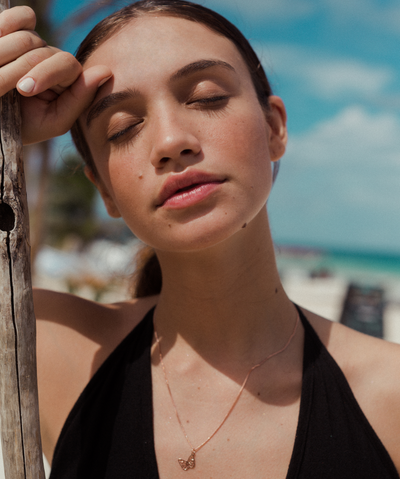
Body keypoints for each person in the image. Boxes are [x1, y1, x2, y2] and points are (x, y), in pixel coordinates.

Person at [0, 1, 399, 477]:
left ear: (274, 127)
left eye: (207, 97)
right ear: (103, 189)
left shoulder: (390, 394)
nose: (171, 142)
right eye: (122, 127)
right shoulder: (49, 342)